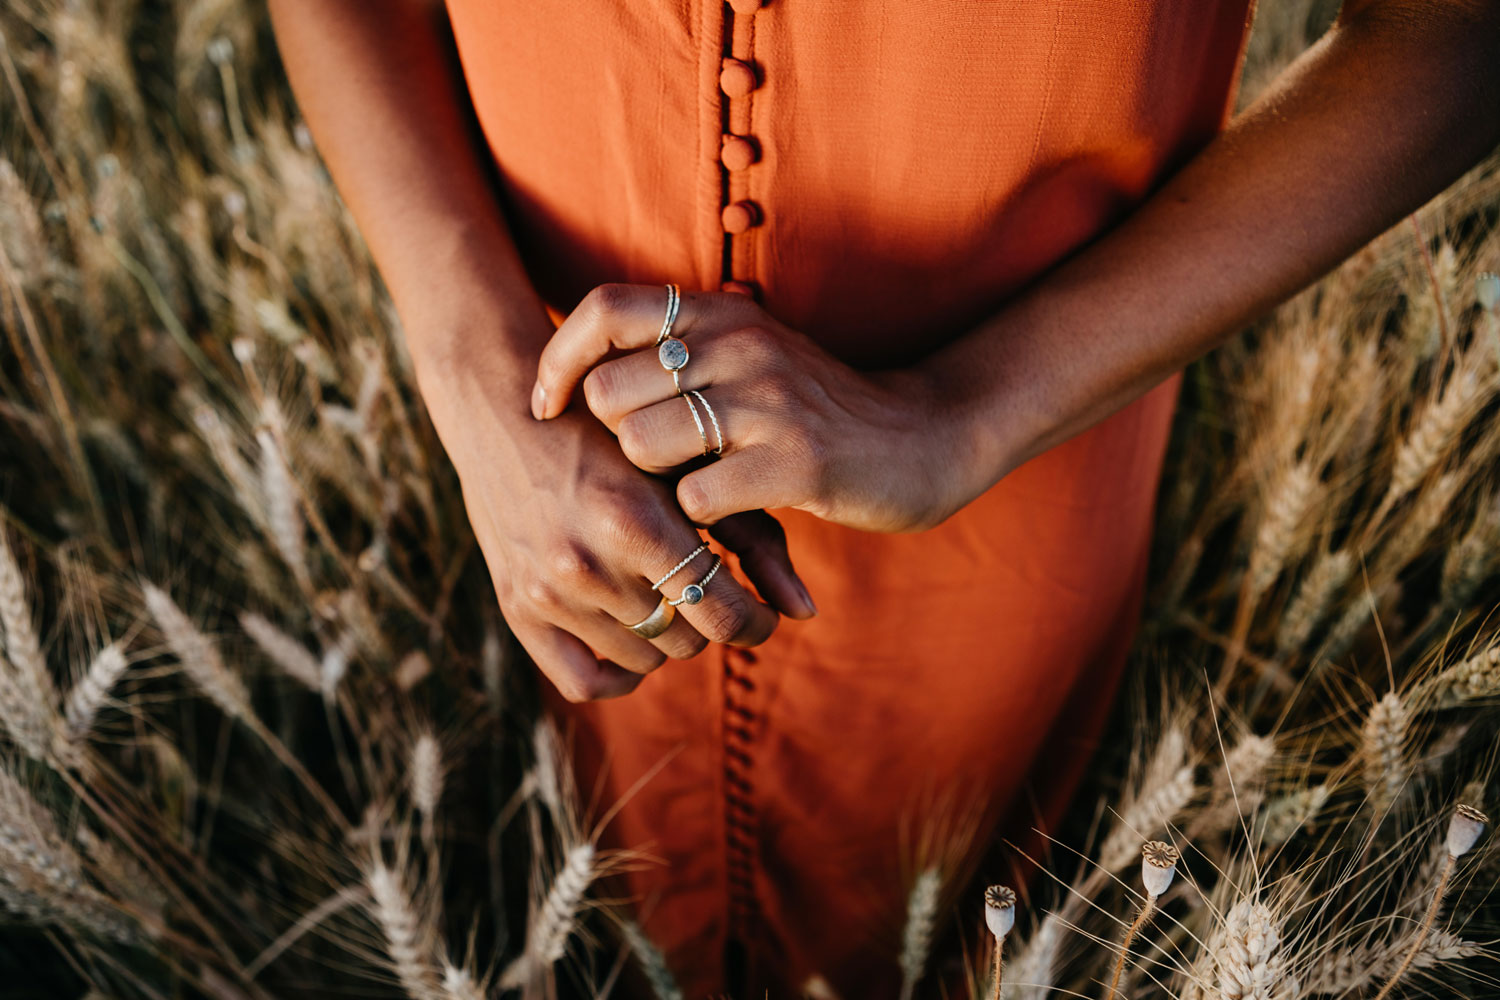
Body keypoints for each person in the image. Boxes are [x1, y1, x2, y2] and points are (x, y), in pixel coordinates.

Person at [267, 1, 1500, 996]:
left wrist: (961, 412)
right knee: (627, 848)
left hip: (1023, 448)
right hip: (552, 453)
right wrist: (478, 373)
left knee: (956, 887)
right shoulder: (507, 404)